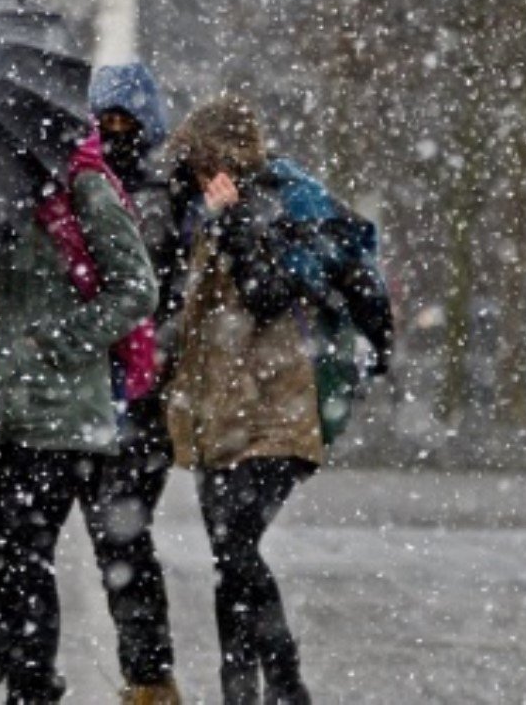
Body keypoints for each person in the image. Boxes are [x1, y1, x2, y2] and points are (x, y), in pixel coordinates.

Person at [162, 96, 394, 705]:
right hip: (219, 408)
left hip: (282, 407)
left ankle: (285, 686)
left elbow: (270, 294)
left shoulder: (280, 203)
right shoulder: (201, 210)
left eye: (200, 160)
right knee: (228, 556)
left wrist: (234, 223)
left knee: (236, 544)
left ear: (226, 156)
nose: (193, 173)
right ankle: (240, 691)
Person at [0, 131, 158, 704]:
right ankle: (25, 670)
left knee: (21, 555)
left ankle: (31, 687)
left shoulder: (82, 188)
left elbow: (136, 288)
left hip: (56, 413)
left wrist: (60, 343)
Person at [82, 63, 186, 704]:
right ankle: (146, 674)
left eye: (128, 121)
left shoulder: (160, 191)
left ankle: (148, 675)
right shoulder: (90, 184)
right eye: (106, 121)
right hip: (105, 387)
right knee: (118, 537)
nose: (117, 132)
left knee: (121, 535)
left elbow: (146, 280)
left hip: (140, 389)